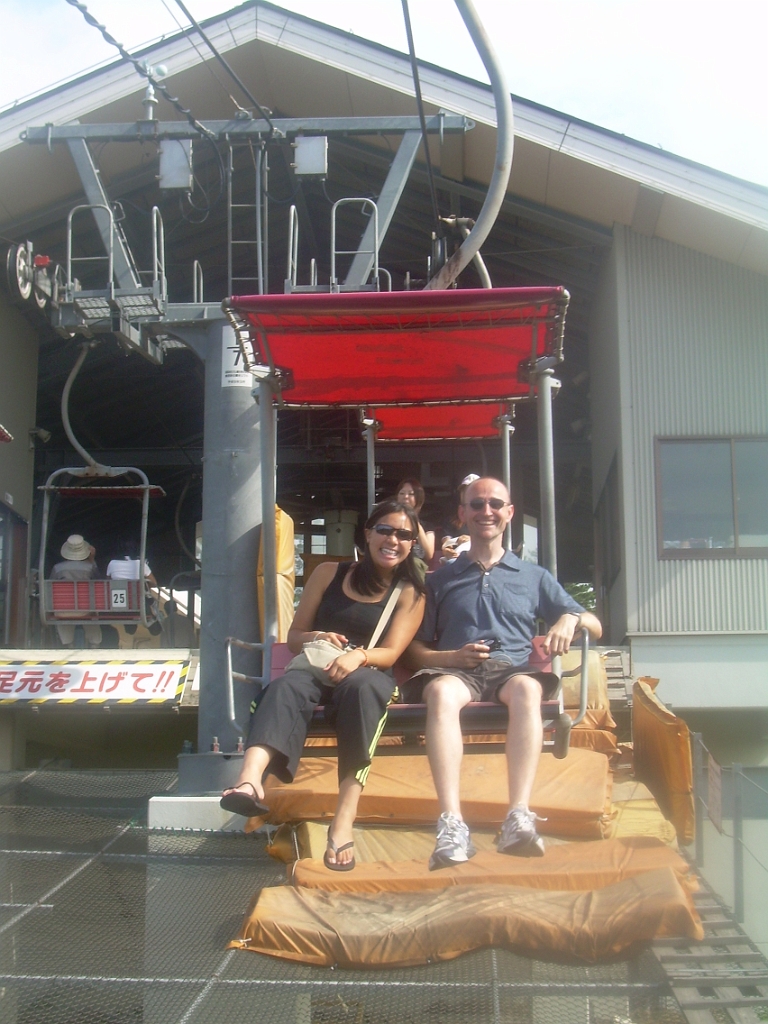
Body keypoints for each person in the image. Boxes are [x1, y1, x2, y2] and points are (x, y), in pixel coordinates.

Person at [405, 477, 602, 870]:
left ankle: (518, 815)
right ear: (462, 515)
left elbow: (595, 625)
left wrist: (569, 618)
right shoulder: (439, 580)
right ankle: (452, 822)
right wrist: (451, 658)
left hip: (509, 671)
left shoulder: (533, 576)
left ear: (509, 513)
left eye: (496, 504)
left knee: (529, 691)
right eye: (476, 505)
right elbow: (414, 649)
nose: (486, 511)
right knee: (443, 694)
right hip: (458, 672)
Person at [220, 500, 426, 870]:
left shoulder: (410, 591)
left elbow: (392, 653)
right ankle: (250, 782)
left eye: (404, 534)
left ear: (412, 543)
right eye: (384, 530)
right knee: (284, 688)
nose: (393, 540)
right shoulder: (329, 573)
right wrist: (319, 635)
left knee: (362, 692)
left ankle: (343, 819)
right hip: (318, 667)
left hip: (365, 673)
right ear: (367, 533)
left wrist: (358, 657)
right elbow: (296, 636)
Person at [50, 534, 102, 648]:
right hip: (86, 609)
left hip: (63, 611)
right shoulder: (90, 567)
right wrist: (92, 560)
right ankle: (94, 644)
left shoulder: (57, 568)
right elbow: (100, 583)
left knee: (61, 610)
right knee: (93, 611)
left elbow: (49, 589)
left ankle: (68, 644)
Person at [440, 472, 479, 562]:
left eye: (472, 490)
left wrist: (471, 539)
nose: (467, 493)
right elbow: (447, 540)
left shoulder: (486, 516)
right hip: (456, 560)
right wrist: (447, 550)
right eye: (464, 490)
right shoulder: (452, 518)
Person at [396, 478, 435, 566]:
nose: (405, 497)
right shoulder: (391, 523)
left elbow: (429, 554)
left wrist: (414, 521)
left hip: (416, 569)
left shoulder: (427, 526)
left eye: (411, 494)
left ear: (418, 499)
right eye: (402, 493)